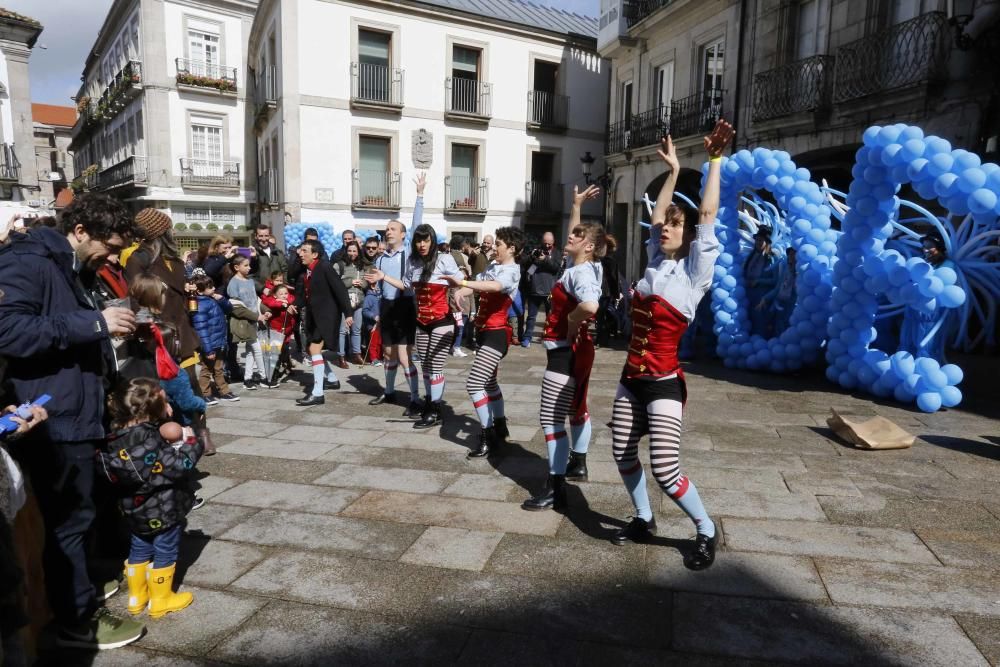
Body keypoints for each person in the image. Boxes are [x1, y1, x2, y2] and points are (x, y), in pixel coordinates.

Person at [0, 193, 146, 649]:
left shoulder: (67, 265)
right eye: (108, 244)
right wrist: (96, 325)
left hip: (76, 407)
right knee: (69, 521)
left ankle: (83, 585)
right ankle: (77, 620)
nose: (111, 254)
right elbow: (9, 332)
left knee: (83, 513)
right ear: (80, 232)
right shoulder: (29, 262)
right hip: (51, 412)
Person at [611, 122, 733, 572]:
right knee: (622, 453)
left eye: (674, 225)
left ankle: (704, 528)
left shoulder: (694, 275)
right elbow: (660, 213)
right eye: (664, 225)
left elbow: (706, 217)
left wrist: (713, 162)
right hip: (630, 378)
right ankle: (644, 517)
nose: (665, 228)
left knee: (665, 468)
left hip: (663, 382)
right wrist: (674, 171)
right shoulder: (655, 263)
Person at [522, 189, 605, 511]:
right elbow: (577, 244)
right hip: (574, 349)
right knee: (573, 409)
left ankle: (556, 487)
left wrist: (571, 321)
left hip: (565, 351)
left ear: (588, 246)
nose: (569, 237)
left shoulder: (581, 272)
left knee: (551, 418)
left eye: (576, 235)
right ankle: (574, 465)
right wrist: (576, 206)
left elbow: (590, 305)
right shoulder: (581, 264)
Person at [99, 378, 203, 619]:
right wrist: (192, 442)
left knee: (139, 546)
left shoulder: (112, 439)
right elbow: (179, 465)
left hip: (132, 510)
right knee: (165, 549)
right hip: (163, 508)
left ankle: (137, 597)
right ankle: (161, 599)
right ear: (155, 409)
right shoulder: (152, 441)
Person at [125, 209, 216, 454]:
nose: (172, 232)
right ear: (160, 232)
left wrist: (188, 291)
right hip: (160, 335)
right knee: (165, 391)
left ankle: (201, 433)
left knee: (191, 385)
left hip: (183, 331)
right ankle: (173, 437)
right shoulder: (138, 259)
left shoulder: (174, 259)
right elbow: (137, 298)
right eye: (168, 228)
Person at [369, 223, 462, 428]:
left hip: (442, 321)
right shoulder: (413, 262)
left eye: (426, 240)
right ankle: (429, 404)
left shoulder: (444, 259)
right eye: (418, 240)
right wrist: (384, 277)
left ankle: (434, 410)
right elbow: (406, 286)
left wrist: (458, 293)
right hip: (422, 322)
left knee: (435, 366)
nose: (421, 244)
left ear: (432, 241)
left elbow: (462, 282)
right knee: (426, 366)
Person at [445, 227, 525, 457]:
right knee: (489, 384)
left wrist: (464, 285)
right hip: (484, 332)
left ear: (511, 248)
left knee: (474, 384)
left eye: (498, 243)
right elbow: (479, 283)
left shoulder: (511, 271)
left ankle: (487, 435)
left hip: (498, 334)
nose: (493, 247)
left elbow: (494, 287)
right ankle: (500, 424)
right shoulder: (493, 266)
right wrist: (462, 291)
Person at [365, 174, 426, 413]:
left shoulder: (409, 252)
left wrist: (419, 195)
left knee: (403, 357)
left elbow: (417, 223)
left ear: (403, 235)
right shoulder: (380, 259)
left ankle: (414, 398)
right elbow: (380, 288)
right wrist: (372, 288)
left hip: (405, 308)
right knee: (388, 353)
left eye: (393, 229)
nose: (388, 231)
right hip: (387, 309)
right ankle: (389, 392)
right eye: (387, 229)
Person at [294, 239, 354, 406]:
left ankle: (318, 393)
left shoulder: (325, 267)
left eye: (305, 251)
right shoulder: (306, 271)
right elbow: (302, 295)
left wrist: (348, 313)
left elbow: (340, 289)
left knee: (314, 349)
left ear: (315, 254)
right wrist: (293, 305)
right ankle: (332, 379)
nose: (300, 254)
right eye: (300, 250)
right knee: (313, 350)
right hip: (314, 316)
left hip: (327, 316)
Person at [900, 232, 954, 362]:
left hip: (930, 312)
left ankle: (924, 367)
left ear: (940, 247)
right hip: (913, 308)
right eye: (924, 246)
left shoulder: (947, 265)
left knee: (925, 342)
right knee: (907, 340)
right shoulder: (922, 263)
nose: (925, 249)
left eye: (930, 246)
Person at [191, 276, 239, 403]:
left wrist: (222, 299)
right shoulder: (199, 305)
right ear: (200, 291)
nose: (213, 288)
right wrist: (208, 349)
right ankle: (205, 393)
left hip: (218, 341)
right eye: (209, 287)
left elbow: (229, 309)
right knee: (206, 370)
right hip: (209, 344)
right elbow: (201, 329)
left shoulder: (212, 299)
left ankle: (224, 391)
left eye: (212, 285)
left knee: (218, 368)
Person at [227, 256, 271, 389]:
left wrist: (265, 310)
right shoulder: (233, 284)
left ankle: (248, 378)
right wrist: (255, 317)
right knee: (257, 349)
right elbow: (236, 308)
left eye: (249, 265)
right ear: (236, 267)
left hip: (254, 321)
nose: (249, 268)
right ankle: (264, 377)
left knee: (251, 350)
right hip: (245, 322)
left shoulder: (250, 281)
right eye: (246, 265)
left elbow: (256, 300)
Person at [521, 231, 561, 347]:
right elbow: (525, 265)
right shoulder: (536, 250)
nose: (547, 246)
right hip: (535, 288)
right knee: (531, 316)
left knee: (551, 317)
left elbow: (555, 268)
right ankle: (527, 338)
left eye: (549, 244)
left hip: (550, 290)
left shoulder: (557, 253)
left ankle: (548, 337)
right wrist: (531, 257)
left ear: (553, 242)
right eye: (545, 243)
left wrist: (545, 260)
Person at [333, 240, 367, 367]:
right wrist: (351, 282)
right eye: (350, 250)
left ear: (358, 252)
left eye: (354, 251)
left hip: (359, 301)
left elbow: (367, 283)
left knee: (357, 329)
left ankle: (356, 354)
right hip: (344, 302)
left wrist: (362, 283)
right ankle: (341, 356)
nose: (352, 253)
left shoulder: (362, 266)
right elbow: (334, 282)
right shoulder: (339, 265)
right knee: (342, 330)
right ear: (346, 251)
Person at [744, 227, 779, 337]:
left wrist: (759, 281)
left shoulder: (772, 258)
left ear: (767, 242)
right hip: (749, 295)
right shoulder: (751, 255)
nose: (758, 242)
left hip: (762, 298)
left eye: (761, 240)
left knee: (760, 325)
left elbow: (775, 280)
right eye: (757, 240)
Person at [261, 283, 298, 385]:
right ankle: (273, 376)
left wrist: (287, 302)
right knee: (275, 355)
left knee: (284, 353)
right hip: (276, 332)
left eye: (286, 293)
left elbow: (292, 298)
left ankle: (287, 367)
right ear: (275, 295)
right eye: (281, 294)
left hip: (287, 332)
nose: (284, 295)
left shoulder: (290, 300)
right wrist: (282, 303)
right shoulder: (273, 301)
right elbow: (269, 302)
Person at [757, 246, 797, 336]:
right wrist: (765, 298)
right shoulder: (785, 267)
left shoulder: (801, 272)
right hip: (781, 303)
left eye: (793, 254)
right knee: (779, 327)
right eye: (790, 254)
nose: (791, 256)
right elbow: (778, 287)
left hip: (793, 307)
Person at [596, 234, 622, 347]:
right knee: (603, 316)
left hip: (603, 291)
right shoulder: (609, 260)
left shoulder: (603, 259)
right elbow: (613, 278)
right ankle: (602, 338)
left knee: (602, 316)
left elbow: (612, 277)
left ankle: (602, 338)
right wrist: (616, 293)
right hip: (606, 291)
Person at [250, 223, 288, 294]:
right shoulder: (251, 253)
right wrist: (262, 288)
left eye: (266, 236)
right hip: (261, 293)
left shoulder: (278, 252)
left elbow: (285, 270)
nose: (264, 239)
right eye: (261, 236)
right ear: (256, 236)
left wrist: (283, 285)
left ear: (269, 236)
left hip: (279, 292)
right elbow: (249, 276)